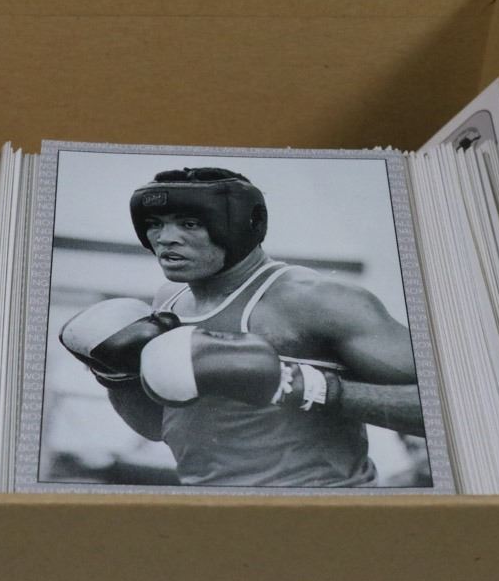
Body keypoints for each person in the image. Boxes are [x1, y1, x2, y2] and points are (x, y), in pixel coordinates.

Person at [60, 168, 425, 488]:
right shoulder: (169, 301)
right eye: (155, 223)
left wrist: (307, 387)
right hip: (217, 509)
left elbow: (443, 411)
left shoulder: (314, 300)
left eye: (189, 224)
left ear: (239, 226)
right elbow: (159, 429)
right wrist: (117, 378)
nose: (165, 238)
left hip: (323, 509)